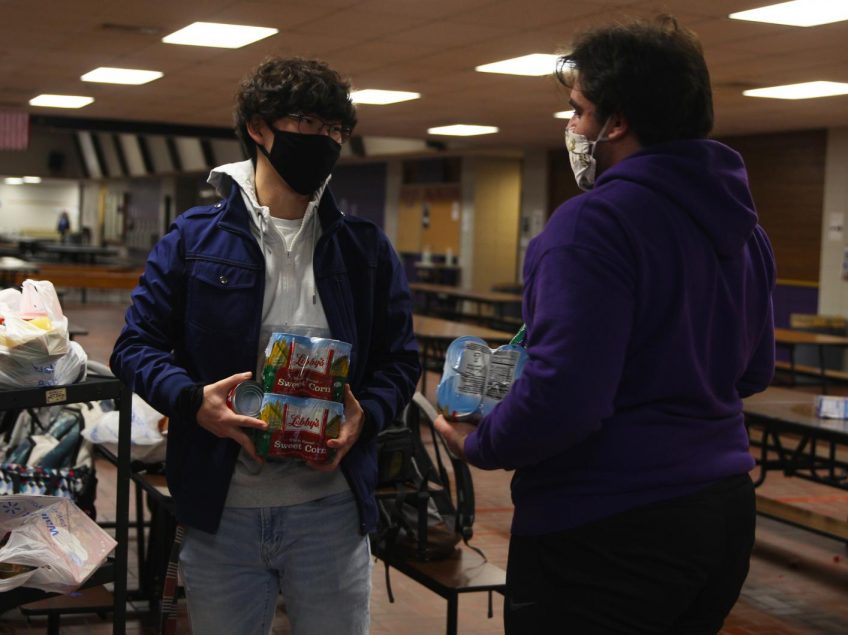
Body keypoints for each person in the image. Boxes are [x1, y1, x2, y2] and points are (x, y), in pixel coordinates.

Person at [436, 17, 775, 635]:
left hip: (608, 525)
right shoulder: (745, 229)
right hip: (722, 514)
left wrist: (481, 445)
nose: (572, 127)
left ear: (615, 122)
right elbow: (753, 371)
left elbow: (564, 396)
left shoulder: (591, 224)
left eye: (579, 110)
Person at [110, 57, 420, 634]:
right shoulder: (192, 239)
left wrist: (368, 418)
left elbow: (402, 361)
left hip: (329, 513)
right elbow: (133, 347)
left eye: (336, 130)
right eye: (307, 121)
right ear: (258, 126)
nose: (324, 140)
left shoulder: (365, 250)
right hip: (221, 511)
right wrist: (191, 400)